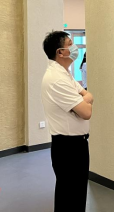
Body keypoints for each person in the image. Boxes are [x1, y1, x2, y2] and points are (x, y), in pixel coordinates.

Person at [41, 31, 94, 212]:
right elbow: (86, 112)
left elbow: (87, 94)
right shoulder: (56, 79)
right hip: (68, 147)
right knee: (70, 198)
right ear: (60, 52)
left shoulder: (65, 74)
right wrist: (84, 101)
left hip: (77, 144)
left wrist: (84, 100)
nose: (75, 48)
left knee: (76, 196)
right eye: (70, 44)